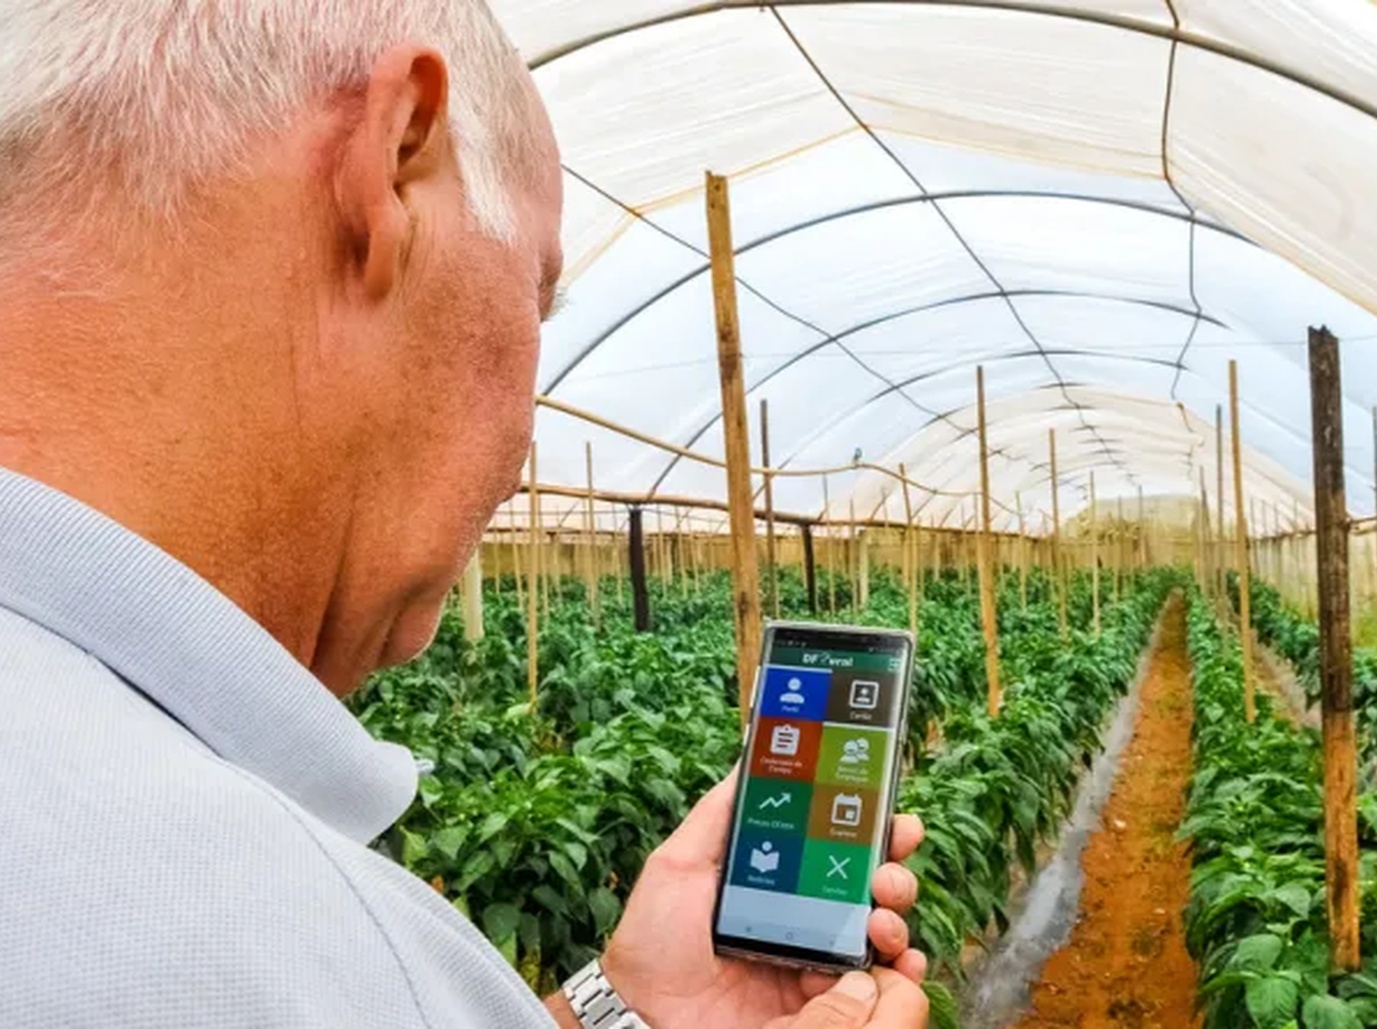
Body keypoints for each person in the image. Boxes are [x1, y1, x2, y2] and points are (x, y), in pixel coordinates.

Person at [0, 3, 929, 1027]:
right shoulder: (261, 953)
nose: (522, 447)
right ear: (400, 155)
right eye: (535, 295)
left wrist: (618, 1008)